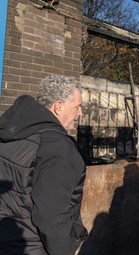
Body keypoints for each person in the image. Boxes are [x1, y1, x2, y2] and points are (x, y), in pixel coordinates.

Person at [0, 74, 88, 255]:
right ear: (58, 106)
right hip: (31, 246)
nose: (80, 113)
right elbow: (54, 218)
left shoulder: (11, 132)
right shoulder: (58, 148)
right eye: (77, 107)